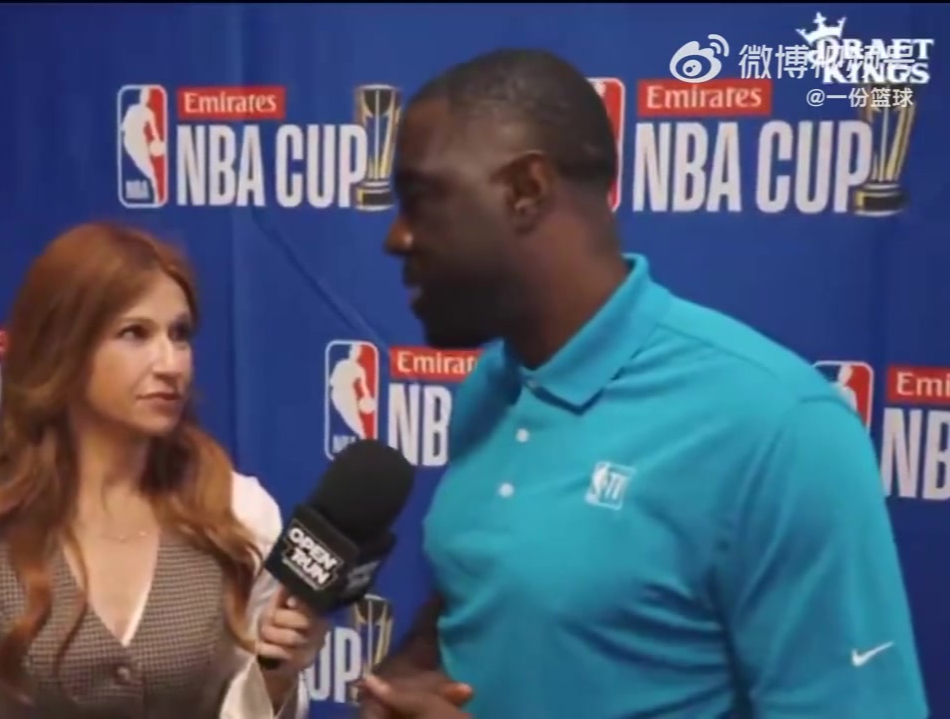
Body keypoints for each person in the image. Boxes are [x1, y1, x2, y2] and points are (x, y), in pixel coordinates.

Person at [357, 48, 927, 718]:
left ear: (526, 191)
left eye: (422, 200)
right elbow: (513, 620)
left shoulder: (778, 427)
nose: (396, 237)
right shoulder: (492, 385)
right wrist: (410, 679)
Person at [0, 221, 329, 718]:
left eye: (180, 335)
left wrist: (275, 680)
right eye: (134, 334)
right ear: (63, 348)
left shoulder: (238, 515)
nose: (171, 364)